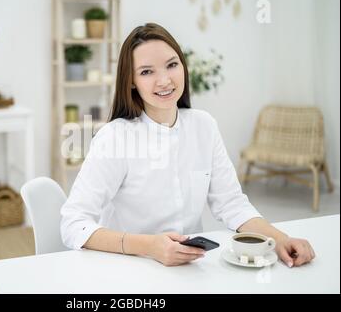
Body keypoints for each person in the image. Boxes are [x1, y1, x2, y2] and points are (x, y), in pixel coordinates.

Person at [60, 23, 315, 267]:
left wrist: (280, 239)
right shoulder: (114, 138)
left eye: (171, 65)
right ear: (131, 81)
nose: (164, 80)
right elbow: (73, 224)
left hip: (190, 268)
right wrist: (150, 247)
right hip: (128, 268)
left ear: (183, 66)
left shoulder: (204, 126)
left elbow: (232, 204)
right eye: (147, 71)